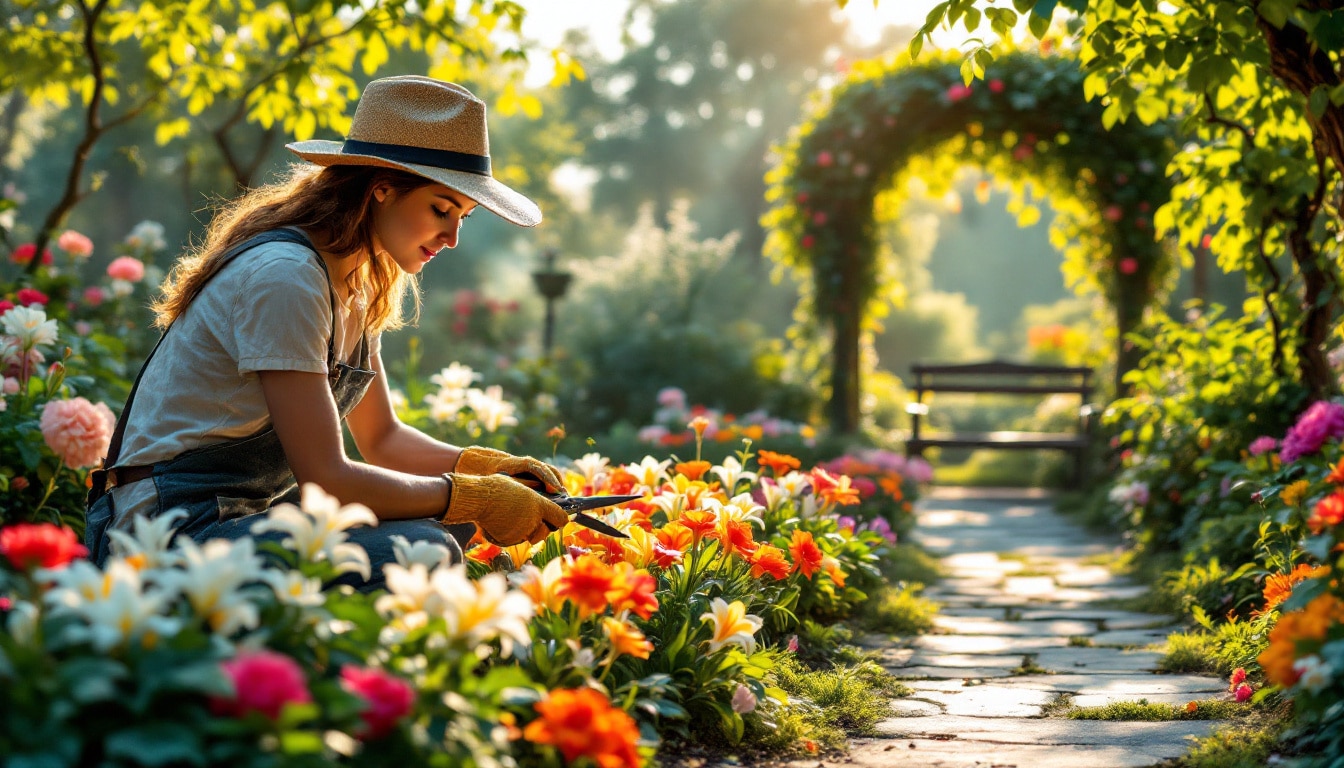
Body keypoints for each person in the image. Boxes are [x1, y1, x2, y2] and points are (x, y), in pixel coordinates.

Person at [85, 76, 569, 589]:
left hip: (242, 516)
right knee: (421, 552)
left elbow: (383, 439)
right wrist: (473, 493)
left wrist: (487, 471)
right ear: (382, 188)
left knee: (442, 525)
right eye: (441, 209)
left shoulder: (357, 285)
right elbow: (329, 477)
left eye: (463, 217)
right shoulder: (287, 276)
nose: (451, 237)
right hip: (161, 536)